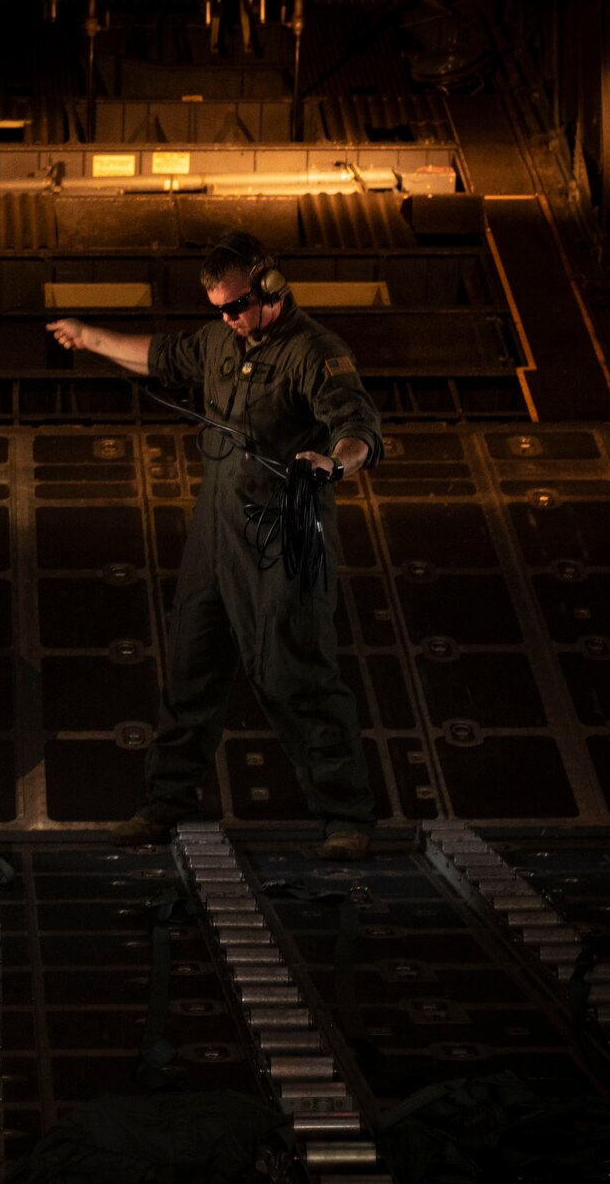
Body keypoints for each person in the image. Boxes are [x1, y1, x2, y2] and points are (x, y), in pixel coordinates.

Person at [46, 232, 383, 859]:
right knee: (192, 669)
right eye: (219, 309)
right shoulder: (218, 341)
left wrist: (335, 464)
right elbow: (160, 355)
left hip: (287, 532)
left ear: (270, 287)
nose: (228, 318)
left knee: (294, 672)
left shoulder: (316, 352)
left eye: (236, 306)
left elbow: (357, 426)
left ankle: (346, 817)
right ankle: (165, 805)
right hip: (217, 529)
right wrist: (88, 337)